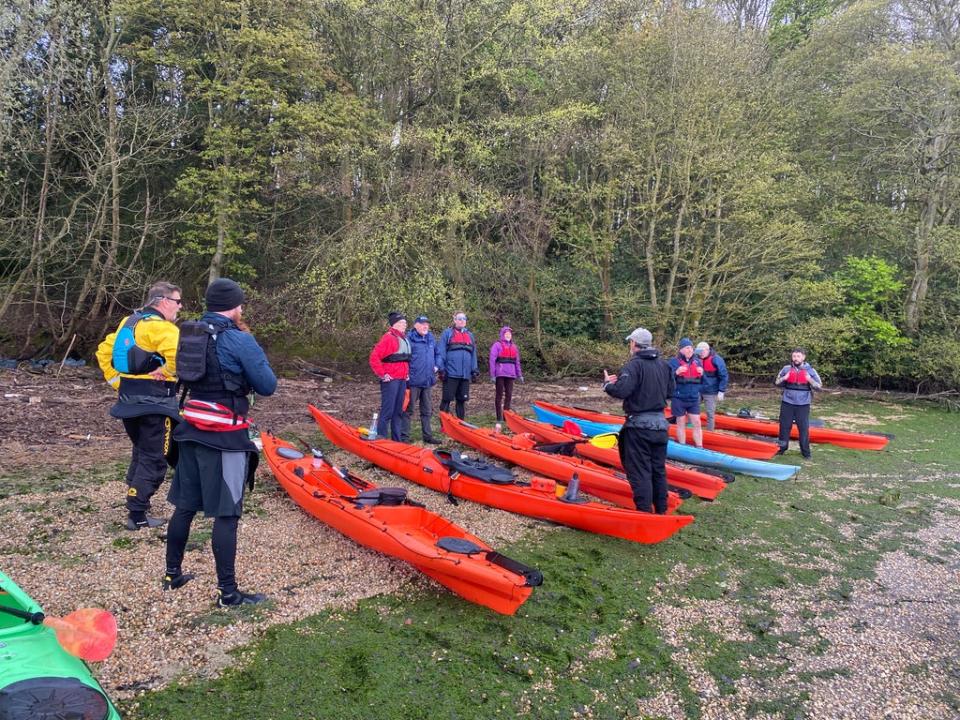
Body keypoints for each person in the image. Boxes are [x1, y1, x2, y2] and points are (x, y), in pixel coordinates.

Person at [163, 278, 277, 607]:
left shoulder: (189, 333)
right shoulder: (239, 340)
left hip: (190, 431)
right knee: (226, 515)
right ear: (234, 306)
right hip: (225, 438)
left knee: (185, 507)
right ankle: (228, 593)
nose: (242, 308)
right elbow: (267, 385)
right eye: (240, 304)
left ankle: (172, 575)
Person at [96, 281, 182, 531]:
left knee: (142, 451)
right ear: (163, 301)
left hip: (128, 402)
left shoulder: (129, 323)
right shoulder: (163, 329)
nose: (180, 307)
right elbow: (181, 355)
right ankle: (137, 512)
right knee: (156, 457)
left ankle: (135, 495)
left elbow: (103, 352)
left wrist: (117, 383)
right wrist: (166, 371)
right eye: (177, 302)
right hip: (156, 403)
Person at [602, 327, 675, 514]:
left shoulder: (634, 366)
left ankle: (644, 513)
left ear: (634, 344)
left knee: (640, 472)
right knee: (658, 470)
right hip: (660, 426)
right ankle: (661, 511)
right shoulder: (665, 365)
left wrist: (608, 385)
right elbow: (670, 392)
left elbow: (621, 391)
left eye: (630, 342)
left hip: (639, 427)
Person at [774, 348, 823, 459]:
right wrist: (784, 378)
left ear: (803, 357)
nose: (796, 359)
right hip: (787, 402)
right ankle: (781, 448)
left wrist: (809, 379)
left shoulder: (810, 370)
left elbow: (819, 386)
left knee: (803, 428)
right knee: (784, 426)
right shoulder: (786, 369)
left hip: (803, 403)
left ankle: (806, 452)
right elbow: (776, 383)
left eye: (798, 356)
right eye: (794, 356)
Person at [369, 312, 411, 441]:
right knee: (387, 411)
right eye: (401, 323)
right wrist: (382, 374)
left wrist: (406, 374)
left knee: (398, 412)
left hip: (402, 379)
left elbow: (403, 359)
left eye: (405, 323)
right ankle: (382, 440)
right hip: (391, 380)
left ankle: (396, 441)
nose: (404, 325)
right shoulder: (388, 338)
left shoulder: (403, 338)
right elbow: (374, 357)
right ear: (395, 324)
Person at [400, 315, 441, 443]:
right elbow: (403, 358)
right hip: (413, 381)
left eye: (427, 324)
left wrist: (437, 365)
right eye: (423, 324)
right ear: (416, 325)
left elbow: (438, 353)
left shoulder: (430, 338)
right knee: (408, 410)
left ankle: (427, 436)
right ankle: (404, 437)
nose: (425, 326)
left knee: (427, 410)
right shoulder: (409, 339)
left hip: (428, 381)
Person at [437, 311, 478, 419]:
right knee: (447, 399)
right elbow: (441, 351)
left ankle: (461, 424)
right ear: (454, 320)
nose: (462, 320)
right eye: (459, 318)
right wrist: (441, 369)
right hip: (451, 373)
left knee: (461, 400)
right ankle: (444, 425)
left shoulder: (470, 335)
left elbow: (473, 353)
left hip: (465, 375)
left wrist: (474, 369)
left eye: (464, 318)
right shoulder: (448, 333)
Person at [668, 338, 704, 448]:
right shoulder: (673, 362)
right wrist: (676, 372)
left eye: (691, 348)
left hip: (693, 398)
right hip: (679, 398)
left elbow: (703, 381)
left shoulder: (698, 362)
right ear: (681, 350)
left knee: (697, 422)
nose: (690, 350)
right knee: (681, 422)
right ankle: (682, 446)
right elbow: (667, 379)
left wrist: (702, 374)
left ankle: (699, 446)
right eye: (687, 348)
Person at [489, 326, 523, 421]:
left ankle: (506, 416)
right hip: (500, 374)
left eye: (509, 334)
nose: (508, 335)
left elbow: (517, 362)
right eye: (506, 334)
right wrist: (493, 374)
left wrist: (519, 374)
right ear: (502, 335)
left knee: (509, 395)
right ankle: (498, 417)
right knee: (499, 395)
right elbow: (492, 360)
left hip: (511, 374)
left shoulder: (514, 347)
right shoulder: (497, 345)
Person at [695, 341, 729, 432]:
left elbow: (724, 376)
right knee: (693, 410)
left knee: (710, 413)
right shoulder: (696, 359)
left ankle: (710, 432)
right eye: (698, 352)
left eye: (701, 352)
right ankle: (692, 429)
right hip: (698, 389)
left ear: (707, 350)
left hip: (711, 391)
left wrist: (721, 391)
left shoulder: (717, 359)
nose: (699, 354)